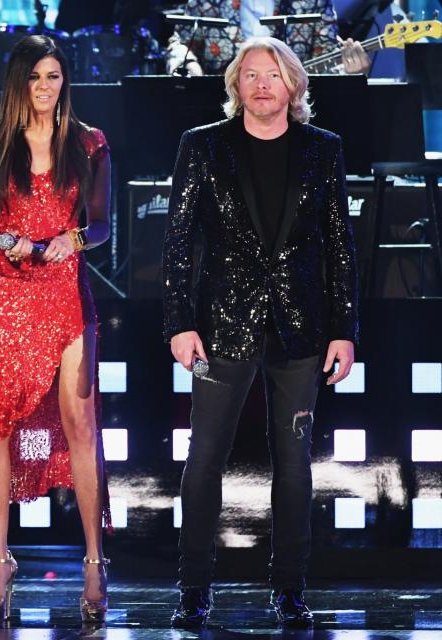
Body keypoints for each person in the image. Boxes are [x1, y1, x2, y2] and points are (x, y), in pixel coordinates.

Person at [162, 36, 358, 629]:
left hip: (302, 326)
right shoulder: (202, 147)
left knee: (294, 463)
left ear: (293, 85)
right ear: (235, 86)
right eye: (250, 74)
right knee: (203, 460)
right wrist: (179, 322)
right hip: (221, 324)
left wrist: (344, 329)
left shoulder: (324, 151)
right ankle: (194, 589)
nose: (262, 83)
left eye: (273, 73)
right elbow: (176, 242)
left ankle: (290, 589)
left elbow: (339, 247)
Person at [0, 35, 112, 623]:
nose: (46, 88)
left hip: (64, 293)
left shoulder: (89, 143)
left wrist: (74, 240)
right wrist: (4, 244)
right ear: (19, 84)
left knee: (80, 422)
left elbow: (101, 224)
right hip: (2, 292)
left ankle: (94, 564)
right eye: (36, 78)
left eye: (55, 77)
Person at [168, 0, 371, 76]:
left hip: (290, 116)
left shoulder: (313, 2)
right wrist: (189, 64)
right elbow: (181, 43)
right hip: (219, 112)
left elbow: (328, 56)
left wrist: (351, 70)